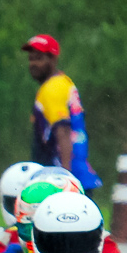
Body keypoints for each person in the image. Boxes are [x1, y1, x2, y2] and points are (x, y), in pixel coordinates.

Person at [22, 34, 101, 190]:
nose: (33, 64)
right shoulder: (63, 82)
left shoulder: (52, 88)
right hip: (77, 173)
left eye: (39, 58)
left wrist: (65, 180)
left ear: (53, 59)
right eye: (31, 59)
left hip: (59, 179)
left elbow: (63, 132)